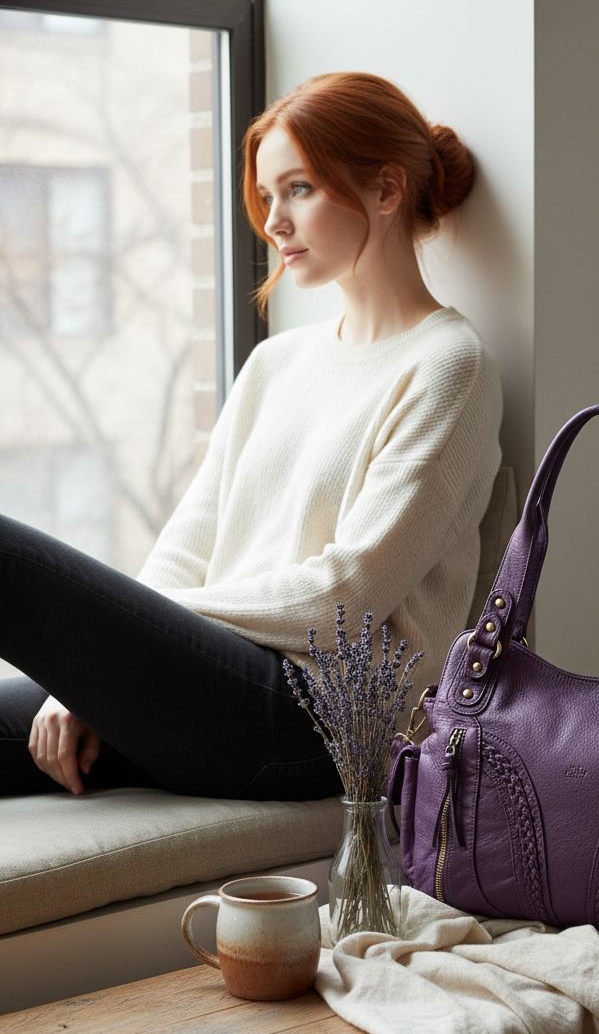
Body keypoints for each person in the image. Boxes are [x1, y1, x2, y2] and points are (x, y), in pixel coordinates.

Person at [0, 71, 503, 802]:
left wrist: (107, 652)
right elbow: (188, 542)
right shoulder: (277, 361)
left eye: (298, 189)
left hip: (321, 718)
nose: (272, 222)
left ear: (387, 190)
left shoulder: (449, 366)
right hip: (211, 688)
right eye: (268, 197)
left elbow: (349, 596)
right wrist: (88, 674)